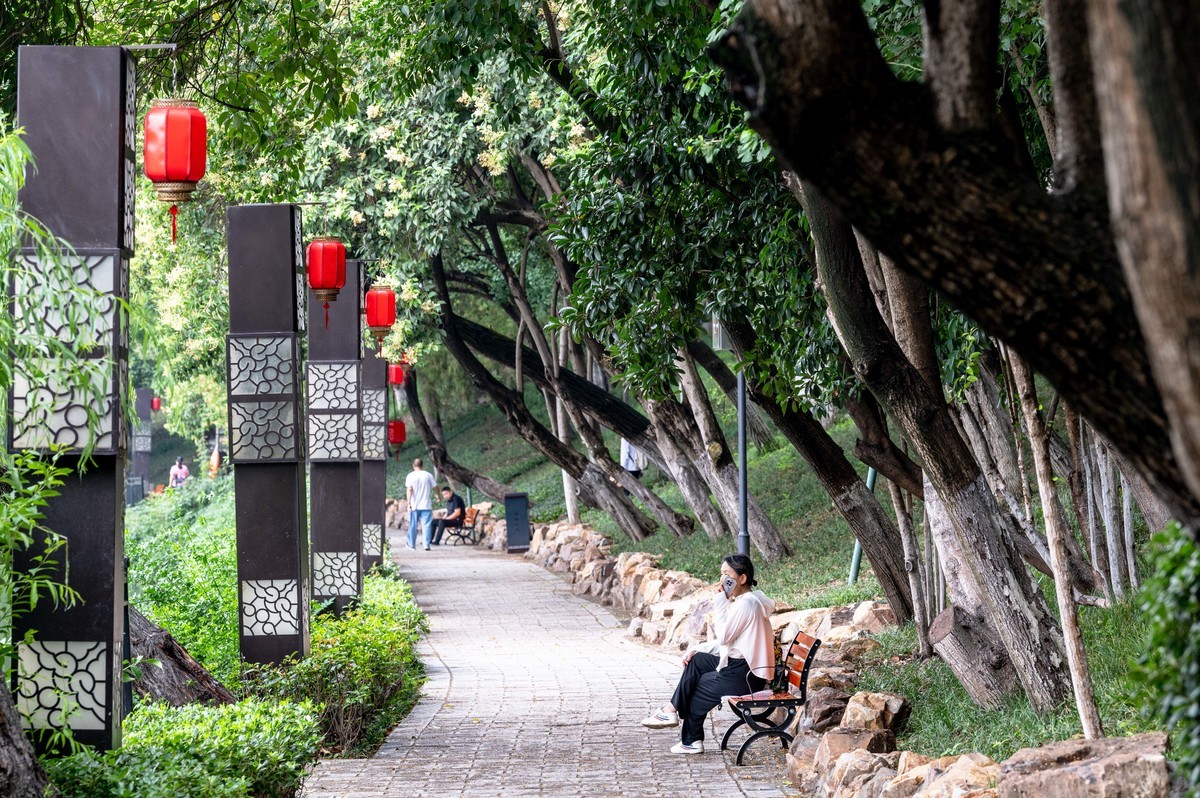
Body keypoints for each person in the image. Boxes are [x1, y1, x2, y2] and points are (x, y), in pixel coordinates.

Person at [641, 554, 776, 754]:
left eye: (727, 575)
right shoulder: (748, 601)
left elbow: (724, 637)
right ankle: (671, 711)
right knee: (696, 660)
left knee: (700, 685)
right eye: (721, 575)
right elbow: (731, 642)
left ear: (742, 578)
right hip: (743, 668)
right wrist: (698, 648)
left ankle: (691, 739)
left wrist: (720, 603)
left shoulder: (746, 604)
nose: (722, 581)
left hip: (747, 676)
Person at [405, 458, 438, 551]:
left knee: (413, 525)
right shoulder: (428, 475)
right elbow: (435, 487)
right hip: (426, 504)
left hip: (414, 505)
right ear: (422, 465)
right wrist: (437, 495)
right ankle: (426, 544)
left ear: (413, 466)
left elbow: (409, 489)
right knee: (426, 525)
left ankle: (412, 545)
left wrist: (409, 503)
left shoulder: (410, 476)